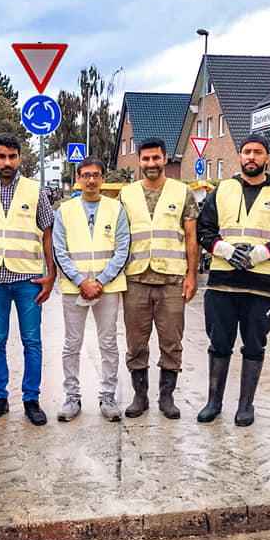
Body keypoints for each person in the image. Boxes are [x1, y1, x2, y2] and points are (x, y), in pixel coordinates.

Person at [196, 135, 270, 425]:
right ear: (239, 156)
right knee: (219, 343)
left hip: (262, 286)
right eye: (246, 152)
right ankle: (213, 401)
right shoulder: (222, 190)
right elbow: (204, 229)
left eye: (257, 152)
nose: (251, 157)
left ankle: (246, 405)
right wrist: (225, 250)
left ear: (267, 158)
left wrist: (261, 253)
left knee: (254, 345)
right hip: (222, 284)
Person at [0, 133, 56, 426]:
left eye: (12, 157)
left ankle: (31, 399)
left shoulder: (35, 190)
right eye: (1, 156)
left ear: (19, 158)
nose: (7, 162)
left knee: (32, 341)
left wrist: (50, 273)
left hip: (28, 279)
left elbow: (47, 231)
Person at [119, 137, 200, 420]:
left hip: (172, 279)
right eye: (146, 159)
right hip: (136, 279)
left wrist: (192, 275)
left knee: (171, 341)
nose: (151, 164)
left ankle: (167, 397)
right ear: (139, 162)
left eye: (156, 158)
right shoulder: (126, 195)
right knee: (136, 342)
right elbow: (120, 238)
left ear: (165, 159)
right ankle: (140, 396)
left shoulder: (182, 192)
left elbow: (191, 237)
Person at [52, 157, 130, 422]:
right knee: (72, 344)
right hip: (75, 289)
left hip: (106, 289)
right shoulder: (64, 211)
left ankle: (107, 397)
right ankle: (71, 397)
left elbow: (123, 249)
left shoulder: (116, 209)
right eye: (86, 175)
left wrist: (101, 281)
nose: (91, 180)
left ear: (103, 178)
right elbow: (59, 251)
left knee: (108, 343)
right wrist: (80, 281)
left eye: (96, 175)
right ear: (78, 179)